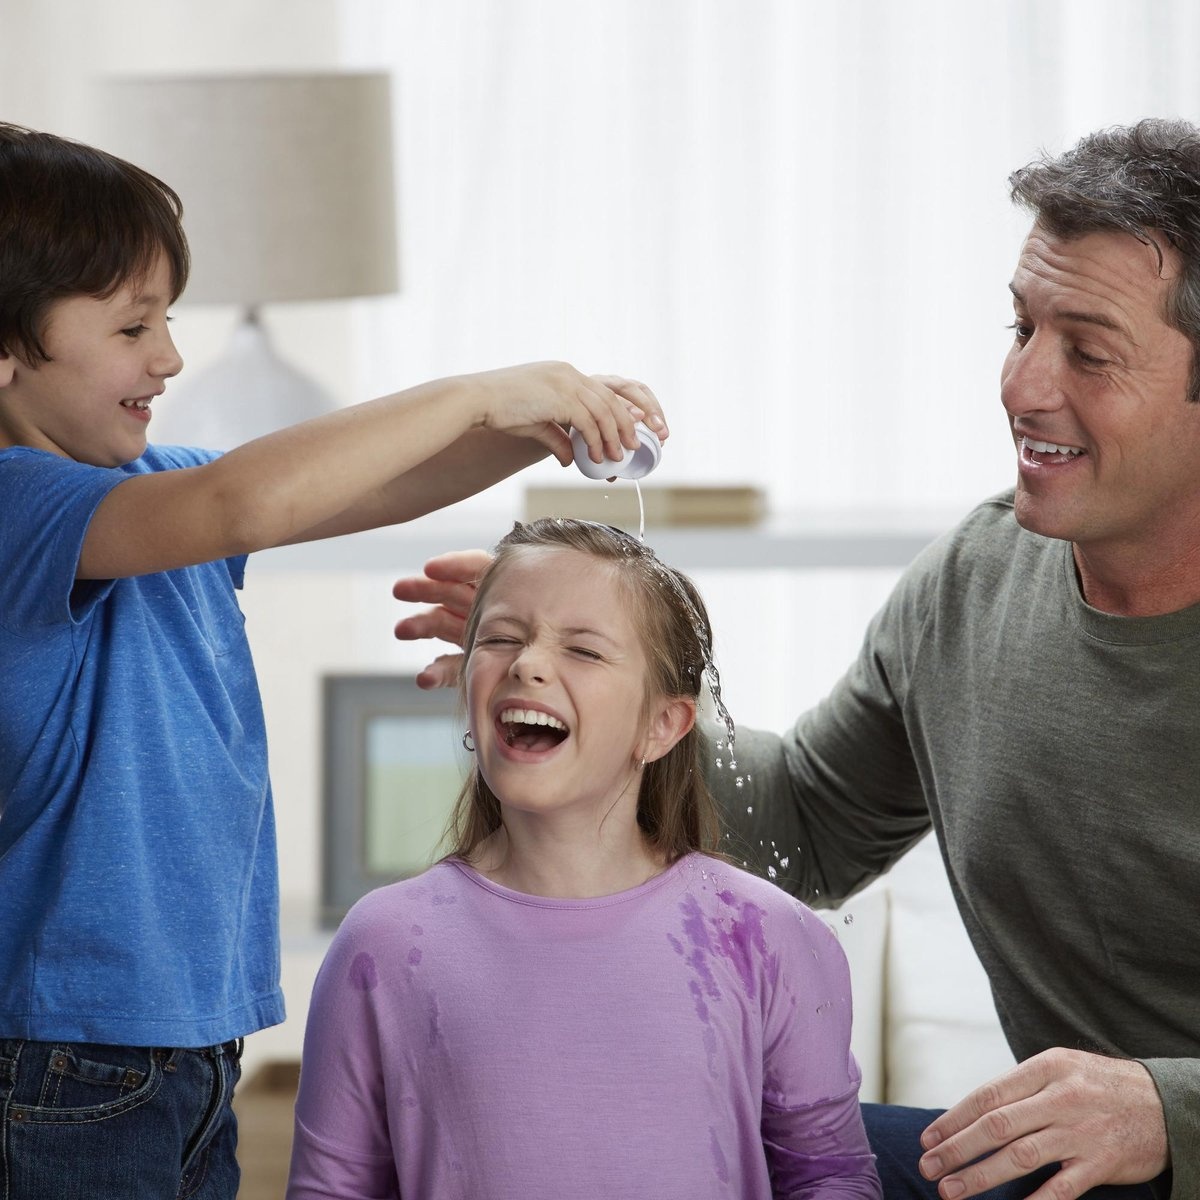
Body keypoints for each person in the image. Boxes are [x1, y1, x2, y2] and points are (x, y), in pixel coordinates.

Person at [390, 117, 1200, 1200]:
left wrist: (1168, 1109)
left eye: (1089, 353)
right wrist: (614, 694)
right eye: (1021, 328)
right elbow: (806, 827)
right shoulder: (975, 583)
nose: (1023, 385)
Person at [0, 121, 668, 1200]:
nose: (168, 357)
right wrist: (481, 393)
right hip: (56, 1054)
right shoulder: (21, 504)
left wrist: (541, 424)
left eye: (168, 321)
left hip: (179, 1045)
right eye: (132, 327)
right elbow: (247, 498)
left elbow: (372, 485)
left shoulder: (156, 493)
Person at [287, 518, 882, 1200]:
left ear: (662, 726)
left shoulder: (767, 937)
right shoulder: (383, 943)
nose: (527, 664)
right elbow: (329, 1190)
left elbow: (830, 1175)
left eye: (584, 650)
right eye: (501, 638)